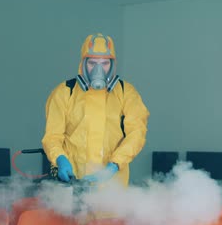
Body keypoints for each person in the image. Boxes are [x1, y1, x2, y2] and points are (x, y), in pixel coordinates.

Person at [42, 33, 149, 186]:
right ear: (83, 63)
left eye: (105, 63)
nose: (98, 69)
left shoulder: (126, 93)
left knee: (109, 210)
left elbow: (137, 133)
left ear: (112, 64)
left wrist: (115, 164)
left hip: (112, 186)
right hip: (74, 183)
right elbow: (52, 136)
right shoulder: (65, 92)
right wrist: (60, 158)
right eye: (92, 63)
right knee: (72, 210)